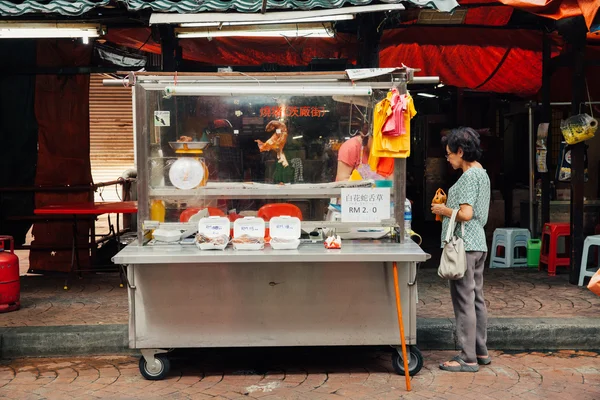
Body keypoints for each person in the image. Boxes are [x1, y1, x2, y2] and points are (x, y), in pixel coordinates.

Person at [431, 127, 491, 373]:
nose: (447, 158)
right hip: (478, 244)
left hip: (464, 245)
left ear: (460, 151)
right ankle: (480, 351)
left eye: (449, 154)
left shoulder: (467, 177)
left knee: (464, 301)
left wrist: (442, 210)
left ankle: (467, 358)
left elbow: (466, 214)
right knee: (476, 299)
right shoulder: (482, 174)